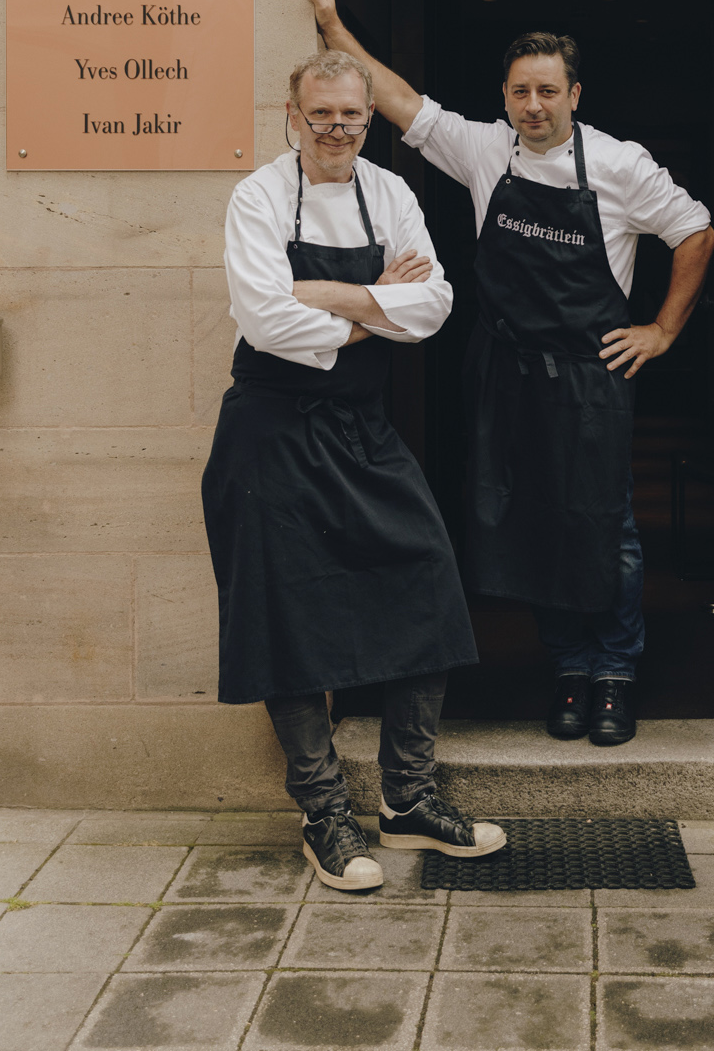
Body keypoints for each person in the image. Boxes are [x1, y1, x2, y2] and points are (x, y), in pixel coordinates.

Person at [304, 0, 714, 748]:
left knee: (607, 528)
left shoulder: (620, 165)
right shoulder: (485, 150)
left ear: (574, 95)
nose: (534, 105)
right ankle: (566, 668)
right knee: (527, 525)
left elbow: (695, 231)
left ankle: (614, 675)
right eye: (520, 91)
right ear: (505, 96)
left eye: (548, 91)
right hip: (507, 372)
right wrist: (331, 26)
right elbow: (398, 104)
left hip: (592, 378)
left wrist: (661, 330)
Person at [202, 48, 505, 892]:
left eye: (353, 116)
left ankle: (407, 801)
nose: (337, 128)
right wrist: (380, 300)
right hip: (270, 434)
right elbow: (266, 322)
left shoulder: (391, 191)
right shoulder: (257, 195)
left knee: (426, 581)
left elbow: (437, 304)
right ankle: (324, 815)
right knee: (285, 622)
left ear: (369, 121)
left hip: (363, 431)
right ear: (291, 114)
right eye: (321, 113)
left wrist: (328, 294)